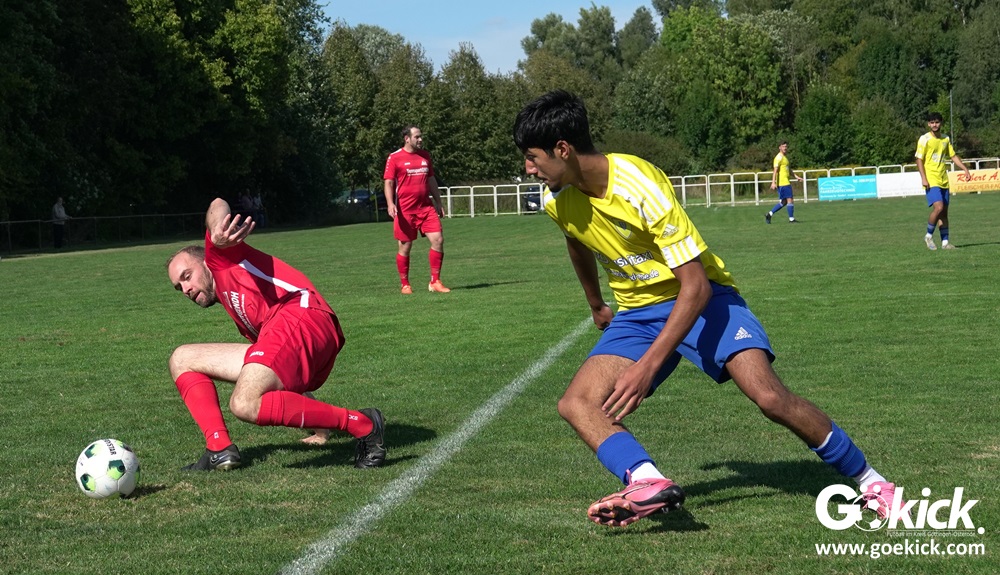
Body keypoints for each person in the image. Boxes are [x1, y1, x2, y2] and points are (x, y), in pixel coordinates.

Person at [513, 90, 903, 528]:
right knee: (576, 403)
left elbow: (695, 285)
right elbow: (576, 238)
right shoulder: (557, 200)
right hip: (638, 313)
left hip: (703, 299)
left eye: (532, 158)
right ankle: (647, 482)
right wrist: (595, 303)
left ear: (562, 149)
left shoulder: (638, 183)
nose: (529, 169)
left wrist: (647, 367)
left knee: (769, 397)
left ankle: (873, 483)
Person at [165, 198, 386, 471]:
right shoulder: (243, 313)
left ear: (205, 262)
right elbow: (281, 368)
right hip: (293, 332)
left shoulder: (219, 258)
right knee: (182, 358)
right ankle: (219, 448)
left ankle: (363, 424)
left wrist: (219, 229)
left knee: (244, 402)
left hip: (303, 315)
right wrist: (320, 429)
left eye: (187, 276)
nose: (185, 289)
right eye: (179, 287)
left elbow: (217, 204)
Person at [383, 125, 449, 294]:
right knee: (405, 247)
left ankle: (435, 281)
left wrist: (438, 202)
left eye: (421, 136)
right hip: (405, 210)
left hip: (426, 207)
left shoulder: (425, 156)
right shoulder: (394, 157)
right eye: (417, 137)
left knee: (438, 240)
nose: (420, 139)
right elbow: (388, 182)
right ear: (407, 138)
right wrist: (390, 204)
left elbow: (431, 179)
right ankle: (405, 284)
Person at [915, 111, 971, 250]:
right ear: (929, 124)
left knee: (944, 212)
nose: (934, 125)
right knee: (938, 207)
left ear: (941, 123)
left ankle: (945, 243)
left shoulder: (945, 139)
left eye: (937, 122)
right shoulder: (924, 139)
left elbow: (953, 156)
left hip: (943, 179)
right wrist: (923, 178)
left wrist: (965, 169)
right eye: (932, 122)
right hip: (931, 179)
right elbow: (919, 159)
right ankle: (928, 235)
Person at [765, 141, 802, 224]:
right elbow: (775, 171)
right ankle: (791, 219)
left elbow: (788, 169)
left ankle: (769, 214)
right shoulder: (778, 157)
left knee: (784, 202)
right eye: (783, 146)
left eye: (786, 146)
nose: (785, 148)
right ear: (779, 147)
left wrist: (796, 176)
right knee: (790, 199)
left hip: (785, 182)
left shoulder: (785, 158)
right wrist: (773, 182)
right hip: (783, 183)